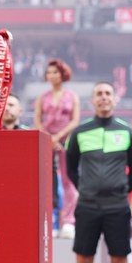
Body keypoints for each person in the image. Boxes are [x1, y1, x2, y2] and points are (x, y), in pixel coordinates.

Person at [61, 81, 132, 263]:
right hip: (87, 207)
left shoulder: (128, 132)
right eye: (99, 94)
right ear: (92, 101)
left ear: (115, 99)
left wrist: (118, 192)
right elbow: (71, 168)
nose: (104, 98)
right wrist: (87, 189)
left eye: (108, 93)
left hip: (117, 208)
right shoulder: (80, 133)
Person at [34, 59, 80, 236]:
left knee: (68, 179)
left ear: (63, 74)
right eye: (49, 72)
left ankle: (68, 221)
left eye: (55, 72)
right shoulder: (42, 97)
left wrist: (58, 138)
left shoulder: (72, 96)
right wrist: (49, 139)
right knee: (47, 179)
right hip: (46, 142)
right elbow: (38, 120)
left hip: (67, 141)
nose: (52, 75)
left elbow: (75, 120)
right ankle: (50, 219)